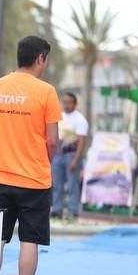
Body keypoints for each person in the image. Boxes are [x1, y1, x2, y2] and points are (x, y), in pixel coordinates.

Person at [0, 35, 61, 275]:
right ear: (41, 58)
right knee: (30, 240)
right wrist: (42, 162)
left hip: (0, 176)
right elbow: (52, 141)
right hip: (34, 180)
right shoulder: (46, 92)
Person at [52, 92, 88, 220]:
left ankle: (73, 212)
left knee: (73, 185)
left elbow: (82, 141)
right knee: (57, 185)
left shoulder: (80, 120)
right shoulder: (59, 117)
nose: (67, 105)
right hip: (58, 155)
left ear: (75, 104)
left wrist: (76, 160)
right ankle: (57, 210)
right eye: (65, 102)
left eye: (69, 102)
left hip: (71, 155)